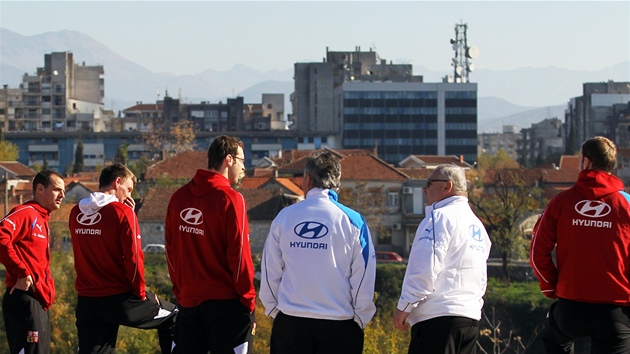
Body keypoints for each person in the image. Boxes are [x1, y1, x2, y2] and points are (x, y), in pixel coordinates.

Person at [260, 150, 377, 354]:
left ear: (307, 178)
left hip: (291, 322)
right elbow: (364, 276)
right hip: (339, 323)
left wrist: (274, 310)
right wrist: (360, 317)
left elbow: (270, 271)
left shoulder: (285, 217)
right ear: (337, 181)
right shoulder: (353, 221)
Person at [530, 136, 630, 354]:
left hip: (571, 307)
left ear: (586, 162)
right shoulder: (627, 204)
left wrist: (550, 285)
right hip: (616, 309)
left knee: (554, 339)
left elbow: (538, 250)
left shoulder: (561, 202)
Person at [69, 163, 177, 353]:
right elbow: (134, 260)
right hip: (118, 300)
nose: (129, 196)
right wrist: (141, 294)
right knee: (174, 316)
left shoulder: (76, 212)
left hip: (87, 301)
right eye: (128, 189)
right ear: (117, 181)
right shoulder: (122, 213)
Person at [165, 135, 256, 354]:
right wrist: (249, 300)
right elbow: (240, 255)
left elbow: (170, 252)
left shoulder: (178, 198)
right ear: (229, 160)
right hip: (226, 305)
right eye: (242, 161)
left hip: (188, 303)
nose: (244, 167)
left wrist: (181, 290)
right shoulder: (231, 199)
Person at [394, 164, 491, 354]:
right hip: (469, 320)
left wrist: (404, 307)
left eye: (429, 183)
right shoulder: (478, 226)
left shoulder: (438, 218)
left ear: (447, 186)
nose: (425, 189)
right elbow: (481, 278)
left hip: (437, 320)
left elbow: (425, 268)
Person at [0, 170, 65, 354]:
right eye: (57, 190)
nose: (62, 195)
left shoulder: (42, 218)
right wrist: (22, 271)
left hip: (39, 302)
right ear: (40, 189)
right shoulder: (26, 213)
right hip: (24, 298)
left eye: (64, 191)